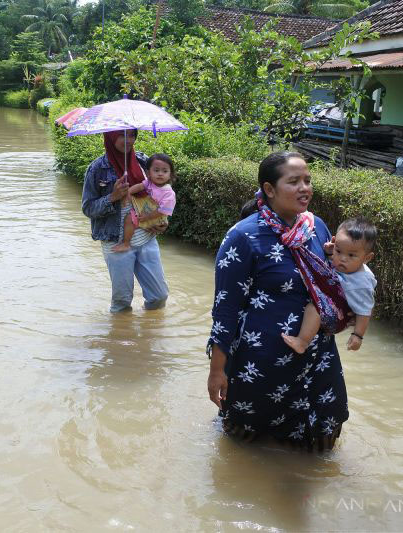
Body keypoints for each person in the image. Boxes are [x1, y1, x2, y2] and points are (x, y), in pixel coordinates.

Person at [206, 151, 349, 449]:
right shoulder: (243, 237)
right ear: (269, 190)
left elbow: (328, 280)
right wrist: (217, 370)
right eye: (294, 181)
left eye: (307, 180)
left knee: (321, 443)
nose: (304, 188)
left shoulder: (315, 227)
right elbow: (226, 309)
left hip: (316, 354)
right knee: (245, 444)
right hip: (262, 360)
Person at [81, 130, 169, 313]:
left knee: (159, 297)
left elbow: (162, 194)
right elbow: (88, 208)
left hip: (146, 237)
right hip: (116, 241)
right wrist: (112, 197)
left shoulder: (144, 162)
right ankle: (120, 338)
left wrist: (162, 220)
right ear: (111, 137)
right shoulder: (97, 169)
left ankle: (149, 334)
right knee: (122, 301)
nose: (128, 140)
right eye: (122, 135)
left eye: (132, 135)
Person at [283, 217, 377, 353]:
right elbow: (335, 258)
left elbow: (365, 312)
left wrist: (358, 335)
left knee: (314, 308)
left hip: (339, 315)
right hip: (335, 302)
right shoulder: (348, 265)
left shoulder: (361, 283)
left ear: (367, 258)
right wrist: (329, 252)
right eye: (338, 251)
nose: (342, 258)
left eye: (351, 255)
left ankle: (302, 342)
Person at [111, 153, 177, 253]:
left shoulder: (169, 193)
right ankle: (126, 244)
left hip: (157, 218)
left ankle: (127, 243)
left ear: (170, 175)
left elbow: (162, 211)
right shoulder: (149, 183)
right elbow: (139, 186)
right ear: (148, 173)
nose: (160, 174)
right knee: (129, 218)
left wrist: (147, 217)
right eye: (156, 170)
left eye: (165, 171)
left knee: (133, 219)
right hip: (145, 212)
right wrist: (129, 192)